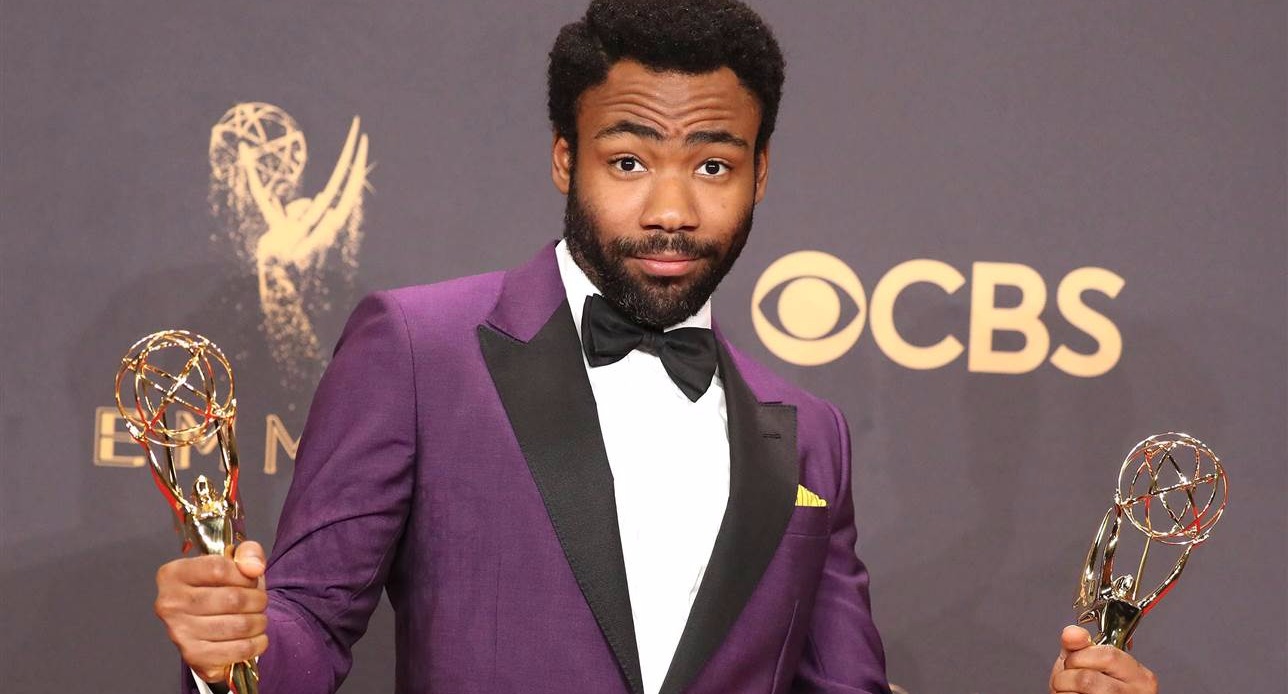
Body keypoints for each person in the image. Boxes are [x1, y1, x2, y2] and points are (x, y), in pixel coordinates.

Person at [152, 2, 1161, 693]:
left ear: (760, 172)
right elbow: (308, 630)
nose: (671, 208)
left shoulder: (809, 435)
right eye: (628, 159)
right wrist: (226, 650)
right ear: (565, 156)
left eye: (712, 163)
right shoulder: (419, 349)